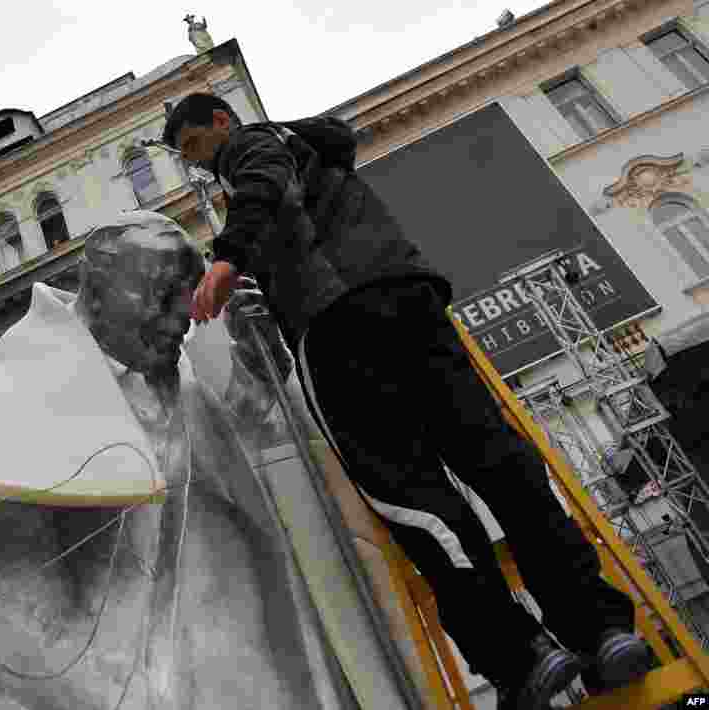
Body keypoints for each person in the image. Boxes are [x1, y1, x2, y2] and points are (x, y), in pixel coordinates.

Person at [0, 212, 397, 710]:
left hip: (208, 650)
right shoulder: (9, 401)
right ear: (99, 295)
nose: (182, 319)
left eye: (186, 299)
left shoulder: (181, 378)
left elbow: (246, 455)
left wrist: (263, 369)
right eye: (163, 298)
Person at [163, 93, 649, 709]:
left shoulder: (253, 149)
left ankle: (521, 656)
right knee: (499, 464)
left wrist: (226, 263)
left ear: (221, 123)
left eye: (193, 146)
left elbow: (262, 181)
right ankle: (601, 630)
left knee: (414, 501)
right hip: (407, 298)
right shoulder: (315, 154)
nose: (198, 163)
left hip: (338, 327)